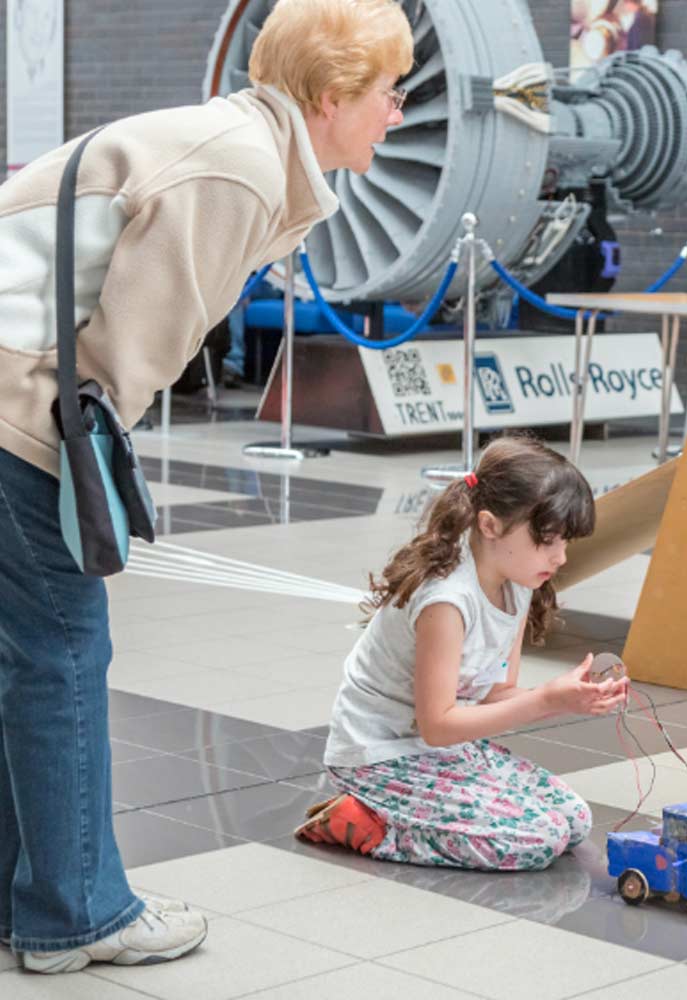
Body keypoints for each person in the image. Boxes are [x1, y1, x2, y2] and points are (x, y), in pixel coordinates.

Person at [0, 0, 412, 974]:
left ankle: (35, 897)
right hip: (18, 397)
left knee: (31, 658)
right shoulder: (235, 167)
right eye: (388, 92)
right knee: (60, 654)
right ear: (331, 96)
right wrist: (94, 492)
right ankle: (78, 913)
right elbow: (120, 361)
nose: (396, 112)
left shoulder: (237, 145)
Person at [296, 436, 629, 869]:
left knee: (574, 819)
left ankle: (413, 813)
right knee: (537, 838)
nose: (561, 556)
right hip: (378, 755)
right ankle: (368, 822)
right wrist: (546, 701)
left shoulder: (519, 580)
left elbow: (493, 694)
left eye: (565, 541)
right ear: (490, 526)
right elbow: (438, 725)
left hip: (442, 749)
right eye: (547, 540)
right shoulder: (447, 600)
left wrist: (565, 698)